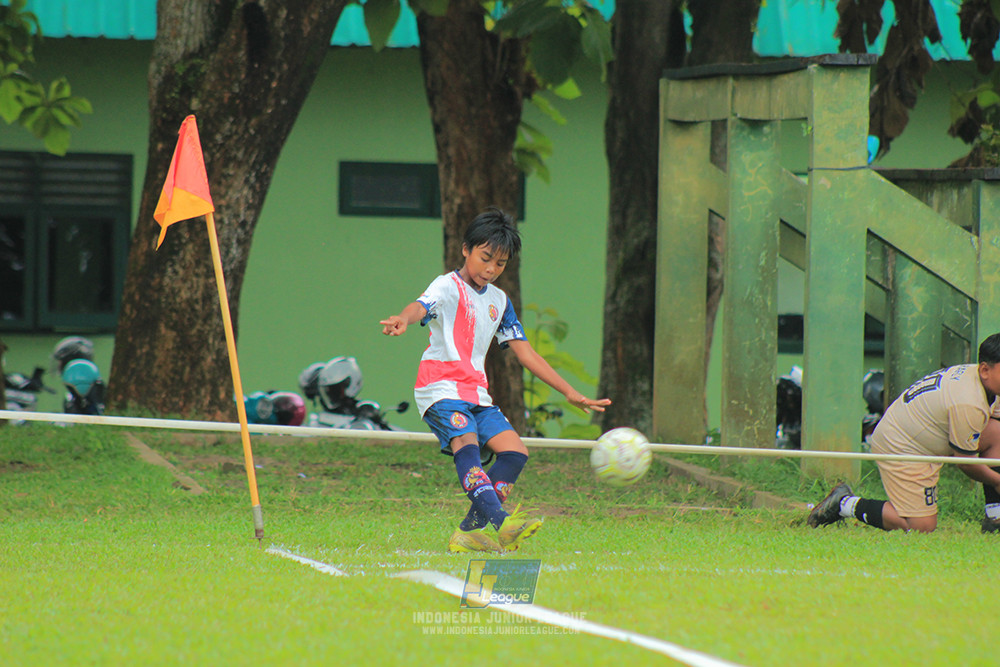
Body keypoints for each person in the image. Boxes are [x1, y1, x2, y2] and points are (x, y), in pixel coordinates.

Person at [380, 207, 611, 553]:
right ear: (466, 249)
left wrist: (570, 392)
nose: (491, 269)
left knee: (515, 453)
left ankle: (468, 532)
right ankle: (503, 523)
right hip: (439, 388)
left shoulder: (500, 301)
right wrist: (403, 318)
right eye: (485, 258)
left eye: (500, 263)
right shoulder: (447, 286)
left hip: (476, 394)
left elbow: (526, 354)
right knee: (467, 443)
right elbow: (420, 306)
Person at [808, 333, 1000, 533]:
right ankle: (844, 503)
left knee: (997, 432)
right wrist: (997, 481)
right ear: (985, 370)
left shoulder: (980, 377)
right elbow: (966, 462)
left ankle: (996, 517)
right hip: (903, 446)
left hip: (928, 435)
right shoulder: (968, 402)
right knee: (921, 527)